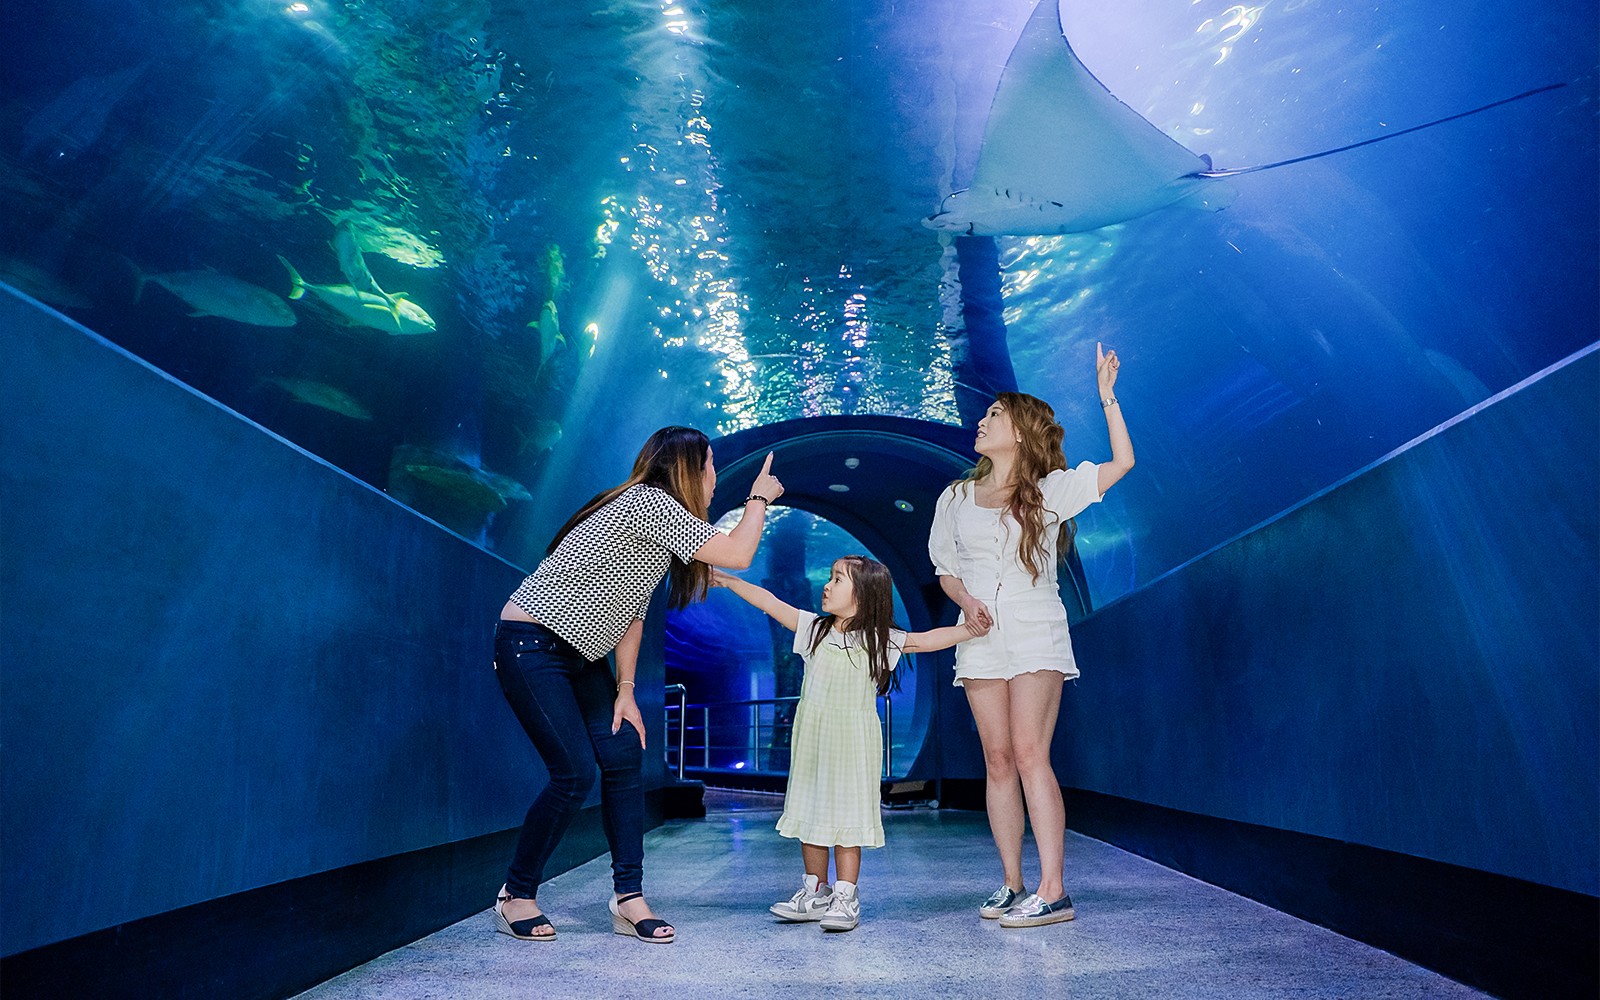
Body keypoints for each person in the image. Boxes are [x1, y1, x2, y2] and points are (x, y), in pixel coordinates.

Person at [492, 427, 783, 944]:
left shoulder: (657, 519)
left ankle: (628, 898)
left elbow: (632, 614)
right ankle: (516, 894)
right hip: (531, 644)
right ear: (688, 469)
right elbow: (737, 554)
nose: (715, 476)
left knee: (624, 753)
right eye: (711, 464)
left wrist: (626, 688)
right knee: (574, 772)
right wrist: (759, 498)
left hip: (580, 655)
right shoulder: (651, 503)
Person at [928, 343, 1134, 928]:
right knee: (996, 759)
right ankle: (1013, 883)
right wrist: (966, 601)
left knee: (1028, 755)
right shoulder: (954, 496)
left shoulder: (1049, 491)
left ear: (1019, 432)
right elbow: (945, 567)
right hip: (978, 632)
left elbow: (1122, 464)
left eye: (993, 414)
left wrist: (1107, 397)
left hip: (1036, 627)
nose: (982, 420)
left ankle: (1054, 889)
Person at [711, 556, 986, 932]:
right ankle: (814, 891)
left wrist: (969, 631)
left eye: (837, 579)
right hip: (813, 739)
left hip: (854, 741)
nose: (827, 585)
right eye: (830, 578)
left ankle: (845, 894)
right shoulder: (814, 629)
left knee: (847, 817)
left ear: (864, 593)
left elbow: (924, 641)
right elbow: (769, 603)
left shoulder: (879, 639)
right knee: (809, 814)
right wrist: (729, 580)